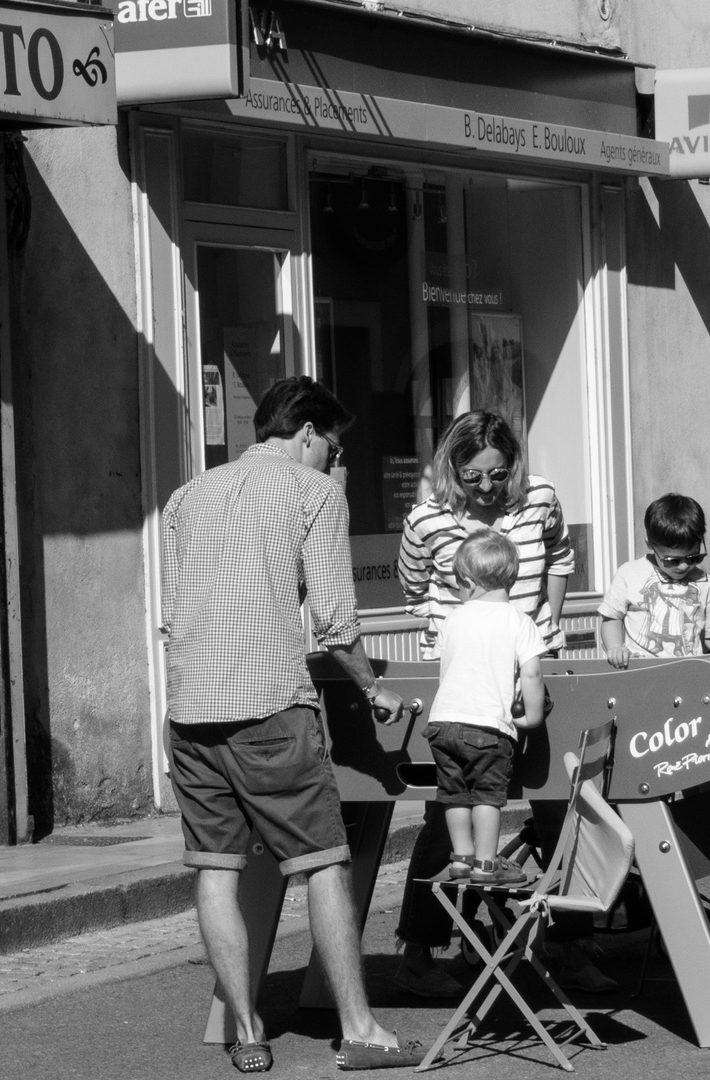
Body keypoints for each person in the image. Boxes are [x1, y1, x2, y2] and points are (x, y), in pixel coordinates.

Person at [161, 375, 425, 1073]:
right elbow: (337, 622)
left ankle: (246, 1029)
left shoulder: (187, 495)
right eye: (333, 449)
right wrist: (372, 688)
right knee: (324, 864)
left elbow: (175, 610)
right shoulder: (315, 493)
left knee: (217, 870)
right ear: (307, 434)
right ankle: (360, 1029)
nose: (335, 463)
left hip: (189, 709)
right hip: (271, 707)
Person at [395, 410, 616, 997]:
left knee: (558, 807)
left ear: (514, 464)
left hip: (532, 665)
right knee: (449, 814)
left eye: (498, 473)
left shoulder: (540, 497)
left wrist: (543, 626)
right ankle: (419, 952)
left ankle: (570, 945)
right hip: (466, 685)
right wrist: (460, 633)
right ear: (451, 468)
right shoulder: (427, 520)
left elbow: (562, 558)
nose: (489, 487)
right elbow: (414, 589)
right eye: (474, 476)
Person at [425, 530, 546, 886]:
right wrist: (532, 716)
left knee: (454, 794)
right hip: (487, 728)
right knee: (487, 798)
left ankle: (461, 858)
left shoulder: (453, 619)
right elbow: (532, 672)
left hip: (442, 723)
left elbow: (447, 668)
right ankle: (486, 864)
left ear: (468, 582)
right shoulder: (519, 621)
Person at [600, 493, 710, 666]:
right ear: (649, 544)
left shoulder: (705, 582)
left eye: (693, 558)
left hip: (689, 671)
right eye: (673, 561)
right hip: (642, 670)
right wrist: (615, 647)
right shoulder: (629, 573)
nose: (684, 566)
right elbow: (612, 617)